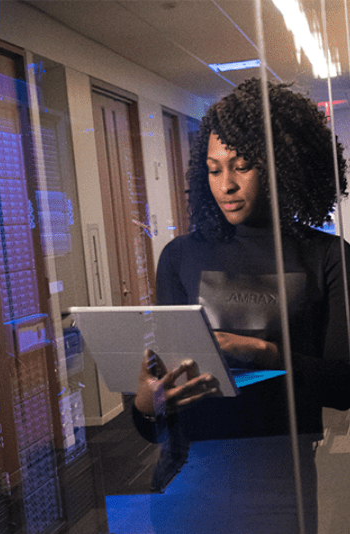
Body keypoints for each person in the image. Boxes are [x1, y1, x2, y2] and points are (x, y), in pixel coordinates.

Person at [131, 78, 350, 534]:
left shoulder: (327, 256)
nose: (226, 184)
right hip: (188, 474)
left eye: (242, 166)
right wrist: (147, 406)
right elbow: (161, 414)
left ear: (279, 166)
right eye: (213, 169)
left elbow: (344, 387)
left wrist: (267, 354)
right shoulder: (180, 256)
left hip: (279, 481)